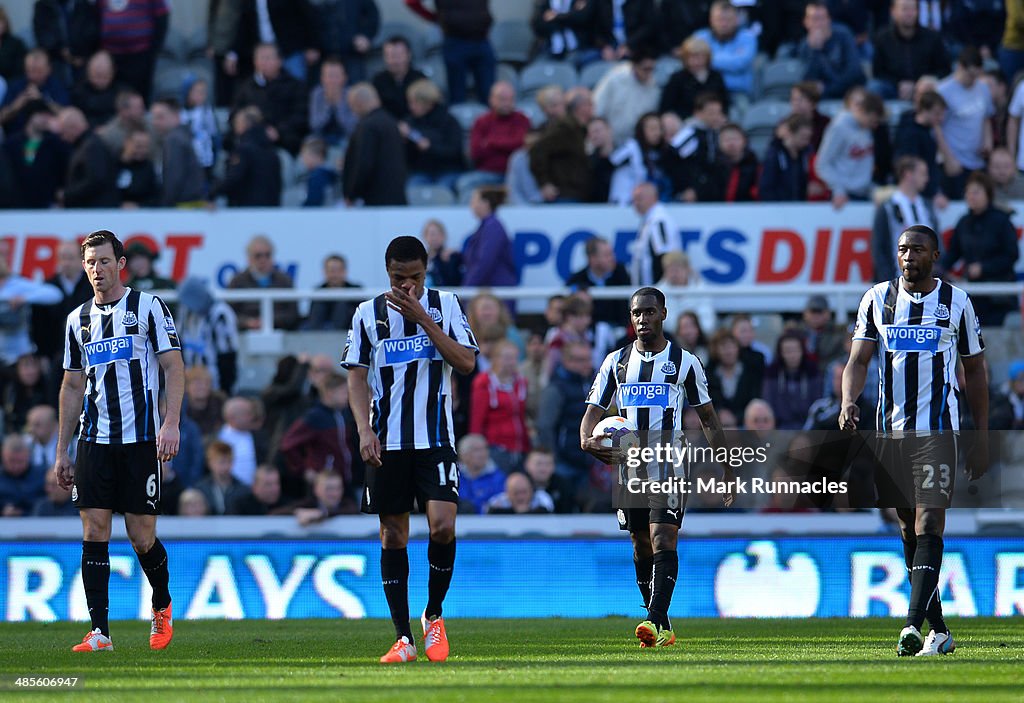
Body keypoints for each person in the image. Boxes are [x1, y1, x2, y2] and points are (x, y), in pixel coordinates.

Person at [841, 224, 989, 657]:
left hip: (938, 430)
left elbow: (975, 371)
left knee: (929, 523)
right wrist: (849, 400)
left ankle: (910, 624)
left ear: (935, 255)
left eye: (917, 249)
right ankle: (939, 630)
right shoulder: (876, 299)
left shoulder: (956, 302)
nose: (908, 256)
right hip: (891, 433)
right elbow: (857, 359)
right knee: (907, 527)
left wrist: (981, 436)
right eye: (903, 249)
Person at [342, 235, 478, 664]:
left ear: (426, 271)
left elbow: (467, 363)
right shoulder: (367, 314)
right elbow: (356, 376)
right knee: (393, 533)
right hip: (387, 441)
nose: (408, 287)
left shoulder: (447, 304)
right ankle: (403, 638)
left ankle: (433, 614)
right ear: (388, 273)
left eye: (415, 278)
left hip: (435, 437)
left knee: (442, 526)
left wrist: (424, 319)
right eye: (400, 279)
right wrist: (364, 429)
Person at [581, 286, 731, 648]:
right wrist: (587, 439)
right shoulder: (616, 362)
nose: (642, 319)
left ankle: (653, 619)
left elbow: (708, 418)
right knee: (640, 544)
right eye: (636, 313)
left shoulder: (685, 362)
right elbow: (593, 413)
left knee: (663, 536)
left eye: (649, 312)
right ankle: (660, 622)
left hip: (670, 462)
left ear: (663, 314)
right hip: (629, 466)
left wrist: (728, 467)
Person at [55, 229, 183, 652]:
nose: (97, 270)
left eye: (104, 261)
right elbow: (72, 386)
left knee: (141, 535)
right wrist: (62, 450)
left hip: (141, 437)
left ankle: (161, 605)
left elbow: (173, 366)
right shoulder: (78, 320)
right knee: (94, 529)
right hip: (94, 439)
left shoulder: (148, 307)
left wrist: (171, 422)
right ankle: (100, 632)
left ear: (120, 264)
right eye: (90, 263)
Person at [940, 172, 1020, 326]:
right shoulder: (964, 222)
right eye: (968, 192)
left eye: (976, 192)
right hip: (972, 295)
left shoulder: (1002, 220)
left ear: (987, 194)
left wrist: (984, 268)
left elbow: (1012, 255)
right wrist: (937, 269)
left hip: (999, 297)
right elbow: (953, 253)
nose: (971, 196)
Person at [405, 0, 495, 105]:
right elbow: (411, 2)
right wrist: (434, 18)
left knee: (490, 96)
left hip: (481, 40)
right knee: (457, 96)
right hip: (455, 41)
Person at [279, 371, 353, 489]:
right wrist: (304, 470)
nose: (347, 396)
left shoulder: (343, 414)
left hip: (343, 481)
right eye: (344, 392)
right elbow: (287, 444)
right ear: (330, 393)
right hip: (324, 483)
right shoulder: (314, 417)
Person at [231, 42, 309, 155]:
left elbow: (300, 117)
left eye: (267, 58)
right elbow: (235, 112)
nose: (263, 62)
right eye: (260, 58)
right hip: (249, 141)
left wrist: (278, 132)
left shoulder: (295, 86)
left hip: (283, 142)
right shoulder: (246, 87)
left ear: (279, 61)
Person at [937, 47, 994, 200]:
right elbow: (936, 127)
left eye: (977, 75)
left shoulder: (982, 88)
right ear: (960, 67)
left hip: (977, 160)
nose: (973, 80)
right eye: (970, 75)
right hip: (956, 160)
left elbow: (986, 117)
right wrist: (948, 158)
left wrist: (988, 141)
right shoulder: (943, 91)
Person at [873, 155, 939, 281]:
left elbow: (937, 242)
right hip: (898, 280)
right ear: (908, 174)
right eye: (922, 174)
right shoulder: (888, 208)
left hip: (926, 282)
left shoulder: (927, 207)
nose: (926, 179)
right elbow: (879, 248)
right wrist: (888, 282)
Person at [815, 90, 884, 208]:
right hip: (845, 196)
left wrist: (870, 188)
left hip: (863, 193)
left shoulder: (865, 128)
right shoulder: (839, 128)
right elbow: (822, 164)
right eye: (872, 120)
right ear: (862, 112)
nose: (874, 125)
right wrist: (838, 190)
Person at [870, 0, 950, 101]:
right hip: (895, 87)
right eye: (905, 9)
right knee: (874, 87)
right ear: (893, 12)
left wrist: (928, 80)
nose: (909, 13)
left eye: (913, 9)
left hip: (925, 88)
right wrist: (898, 83)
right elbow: (878, 72)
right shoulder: (882, 38)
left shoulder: (932, 38)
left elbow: (945, 69)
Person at [470, 340, 529, 473]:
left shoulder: (521, 382)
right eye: (507, 358)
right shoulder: (484, 383)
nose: (511, 362)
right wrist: (477, 450)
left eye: (514, 358)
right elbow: (477, 420)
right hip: (496, 448)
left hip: (520, 447)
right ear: (495, 359)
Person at [343, 83, 407, 206]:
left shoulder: (368, 126)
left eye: (351, 106)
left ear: (358, 103)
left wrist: (352, 193)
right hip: (396, 195)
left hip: (375, 200)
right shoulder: (391, 122)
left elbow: (364, 163)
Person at [97, 0, 168, 103]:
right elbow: (97, 17)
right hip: (111, 56)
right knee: (116, 98)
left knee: (139, 96)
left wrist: (153, 50)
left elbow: (162, 18)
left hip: (141, 55)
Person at [3, 99, 69, 209]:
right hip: (17, 206)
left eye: (48, 115)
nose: (46, 119)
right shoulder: (11, 145)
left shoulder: (56, 144)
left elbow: (64, 170)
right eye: (42, 115)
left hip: (48, 205)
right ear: (30, 116)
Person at [177, 277, 239, 394]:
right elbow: (179, 343)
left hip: (215, 377)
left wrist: (225, 390)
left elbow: (227, 355)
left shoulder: (221, 314)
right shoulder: (186, 311)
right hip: (189, 377)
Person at [401, 78, 464, 192]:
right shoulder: (409, 122)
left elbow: (455, 151)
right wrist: (403, 141)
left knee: (442, 191)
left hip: (448, 170)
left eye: (415, 102)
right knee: (411, 189)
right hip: (421, 171)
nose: (411, 107)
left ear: (428, 103)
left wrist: (430, 148)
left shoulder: (449, 121)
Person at [211, 107, 281, 207]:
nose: (234, 126)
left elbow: (234, 178)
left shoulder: (243, 150)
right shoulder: (272, 151)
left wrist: (213, 192)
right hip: (270, 209)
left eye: (237, 122)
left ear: (245, 124)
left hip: (247, 209)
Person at [226, 235, 300, 331]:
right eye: (258, 256)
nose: (263, 260)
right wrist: (247, 322)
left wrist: (268, 321)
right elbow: (228, 313)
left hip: (280, 334)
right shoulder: (237, 281)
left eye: (267, 255)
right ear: (249, 258)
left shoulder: (285, 281)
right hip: (244, 336)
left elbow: (292, 314)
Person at [796, 1, 864, 100]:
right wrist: (815, 51)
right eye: (814, 19)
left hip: (849, 90)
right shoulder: (805, 46)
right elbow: (808, 81)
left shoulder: (844, 35)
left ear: (829, 19)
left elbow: (853, 71)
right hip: (822, 96)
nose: (819, 24)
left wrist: (828, 88)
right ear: (806, 22)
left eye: (822, 18)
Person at [893, 90, 951, 206]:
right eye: (937, 113)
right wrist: (933, 193)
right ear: (924, 110)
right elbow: (912, 168)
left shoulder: (928, 130)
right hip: (918, 192)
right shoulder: (910, 134)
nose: (941, 118)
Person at [593, 49, 660, 146]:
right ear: (634, 66)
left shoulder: (654, 88)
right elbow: (597, 107)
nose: (649, 73)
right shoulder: (615, 79)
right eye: (645, 69)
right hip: (610, 142)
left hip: (638, 144)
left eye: (652, 69)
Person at [469, 80, 530, 184]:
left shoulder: (522, 119)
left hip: (515, 174)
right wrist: (508, 145)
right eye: (502, 99)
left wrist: (490, 143)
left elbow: (521, 145)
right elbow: (475, 152)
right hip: (487, 173)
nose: (506, 103)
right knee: (465, 184)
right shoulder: (481, 121)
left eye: (510, 99)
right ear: (491, 100)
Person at [149, 97, 206, 207]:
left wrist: (165, 205)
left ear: (176, 116)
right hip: (194, 203)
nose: (155, 122)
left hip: (182, 206)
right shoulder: (185, 136)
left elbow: (174, 178)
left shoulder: (173, 140)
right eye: (154, 118)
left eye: (160, 117)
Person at [693, 0, 757, 97]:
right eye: (719, 19)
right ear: (711, 19)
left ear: (736, 20)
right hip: (705, 93)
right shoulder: (700, 37)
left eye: (728, 20)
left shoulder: (748, 37)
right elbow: (693, 63)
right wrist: (731, 59)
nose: (723, 24)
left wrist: (707, 59)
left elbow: (739, 63)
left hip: (737, 93)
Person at [763, 331, 821, 430]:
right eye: (787, 351)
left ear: (802, 351)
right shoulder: (772, 373)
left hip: (809, 428)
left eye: (796, 350)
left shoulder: (813, 372)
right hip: (779, 429)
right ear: (780, 353)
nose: (792, 355)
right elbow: (768, 404)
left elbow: (817, 404)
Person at [565, 237, 631, 325]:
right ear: (593, 258)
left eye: (612, 254)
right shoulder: (577, 279)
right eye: (607, 255)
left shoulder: (621, 273)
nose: (612, 258)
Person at [660, 36, 728, 120]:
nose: (696, 62)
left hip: (713, 120)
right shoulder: (677, 78)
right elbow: (666, 107)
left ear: (707, 58)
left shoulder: (716, 77)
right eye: (692, 57)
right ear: (685, 58)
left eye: (700, 57)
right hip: (684, 122)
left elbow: (725, 103)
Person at [462, 186, 517, 288]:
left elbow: (485, 261)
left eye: (474, 201)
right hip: (491, 289)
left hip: (497, 291)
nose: (471, 205)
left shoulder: (493, 227)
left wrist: (467, 288)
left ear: (485, 203)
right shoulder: (487, 226)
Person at [630, 181, 681, 286]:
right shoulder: (649, 220)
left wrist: (657, 292)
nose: (635, 203)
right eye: (634, 199)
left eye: (639, 198)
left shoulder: (659, 221)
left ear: (653, 197)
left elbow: (664, 257)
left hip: (654, 294)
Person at [759, 113, 813, 202]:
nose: (806, 142)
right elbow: (766, 188)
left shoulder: (807, 155)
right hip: (779, 210)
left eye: (808, 138)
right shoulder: (774, 155)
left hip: (802, 209)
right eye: (803, 137)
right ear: (790, 133)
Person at [371, 35, 425, 121]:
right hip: (387, 126)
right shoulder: (378, 80)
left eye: (398, 56)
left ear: (409, 55)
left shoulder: (420, 79)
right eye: (390, 56)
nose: (394, 61)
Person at [309, 57, 358, 148]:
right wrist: (327, 105)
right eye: (329, 76)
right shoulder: (317, 94)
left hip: (345, 138)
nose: (332, 81)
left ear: (344, 78)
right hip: (321, 137)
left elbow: (352, 128)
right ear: (322, 78)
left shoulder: (351, 94)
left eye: (336, 76)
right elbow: (314, 126)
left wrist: (339, 104)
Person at [304, 254, 361, 331]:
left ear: (345, 271)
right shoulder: (317, 293)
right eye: (331, 270)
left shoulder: (356, 291)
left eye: (338, 270)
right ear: (324, 272)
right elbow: (314, 320)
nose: (334, 275)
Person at [455, 433, 506, 513]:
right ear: (463, 455)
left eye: (485, 449)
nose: (482, 454)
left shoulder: (499, 478)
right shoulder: (455, 476)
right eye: (476, 450)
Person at [194, 440, 248, 515]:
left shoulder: (243, 490)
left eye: (229, 461)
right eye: (221, 462)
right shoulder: (200, 490)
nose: (226, 466)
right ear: (210, 463)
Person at [71, 51, 121, 127]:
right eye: (97, 76)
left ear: (113, 72)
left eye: (104, 76)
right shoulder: (78, 91)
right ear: (88, 72)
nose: (100, 81)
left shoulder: (122, 92)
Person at [485, 472, 554, 514]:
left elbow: (548, 515)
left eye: (524, 492)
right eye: (516, 493)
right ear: (507, 493)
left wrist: (516, 512)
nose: (521, 497)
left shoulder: (541, 499)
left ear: (531, 490)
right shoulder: (497, 502)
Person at [298, 136, 339, 207]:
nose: (303, 159)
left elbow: (312, 203)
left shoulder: (317, 176)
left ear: (318, 156)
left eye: (305, 155)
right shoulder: (327, 173)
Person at [423, 219, 463, 288]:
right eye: (432, 234)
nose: (435, 238)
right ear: (425, 236)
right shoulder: (421, 259)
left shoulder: (452, 257)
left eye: (438, 234)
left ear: (444, 236)